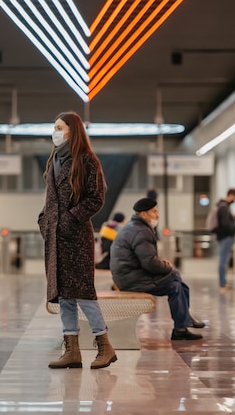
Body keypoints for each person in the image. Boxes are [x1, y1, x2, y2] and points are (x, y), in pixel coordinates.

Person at [38, 111, 117, 369]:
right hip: (55, 239)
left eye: (59, 127)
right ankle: (71, 349)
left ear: (72, 130)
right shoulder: (54, 161)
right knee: (64, 296)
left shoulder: (86, 160)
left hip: (75, 238)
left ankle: (105, 345)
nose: (55, 131)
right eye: (54, 127)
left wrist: (70, 219)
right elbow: (50, 199)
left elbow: (96, 198)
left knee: (84, 294)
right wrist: (44, 221)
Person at [110, 197, 205, 341]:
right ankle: (184, 321)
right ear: (143, 214)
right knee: (174, 276)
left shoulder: (133, 227)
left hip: (127, 276)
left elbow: (145, 259)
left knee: (175, 285)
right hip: (132, 279)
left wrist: (160, 263)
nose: (157, 215)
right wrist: (166, 267)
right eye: (154, 212)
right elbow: (149, 264)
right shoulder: (141, 231)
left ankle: (182, 326)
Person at [215, 188, 235, 292]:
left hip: (224, 237)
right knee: (223, 261)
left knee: (224, 261)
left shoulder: (223, 206)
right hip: (226, 237)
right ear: (231, 195)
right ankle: (222, 284)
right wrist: (232, 227)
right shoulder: (224, 207)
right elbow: (225, 224)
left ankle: (223, 283)